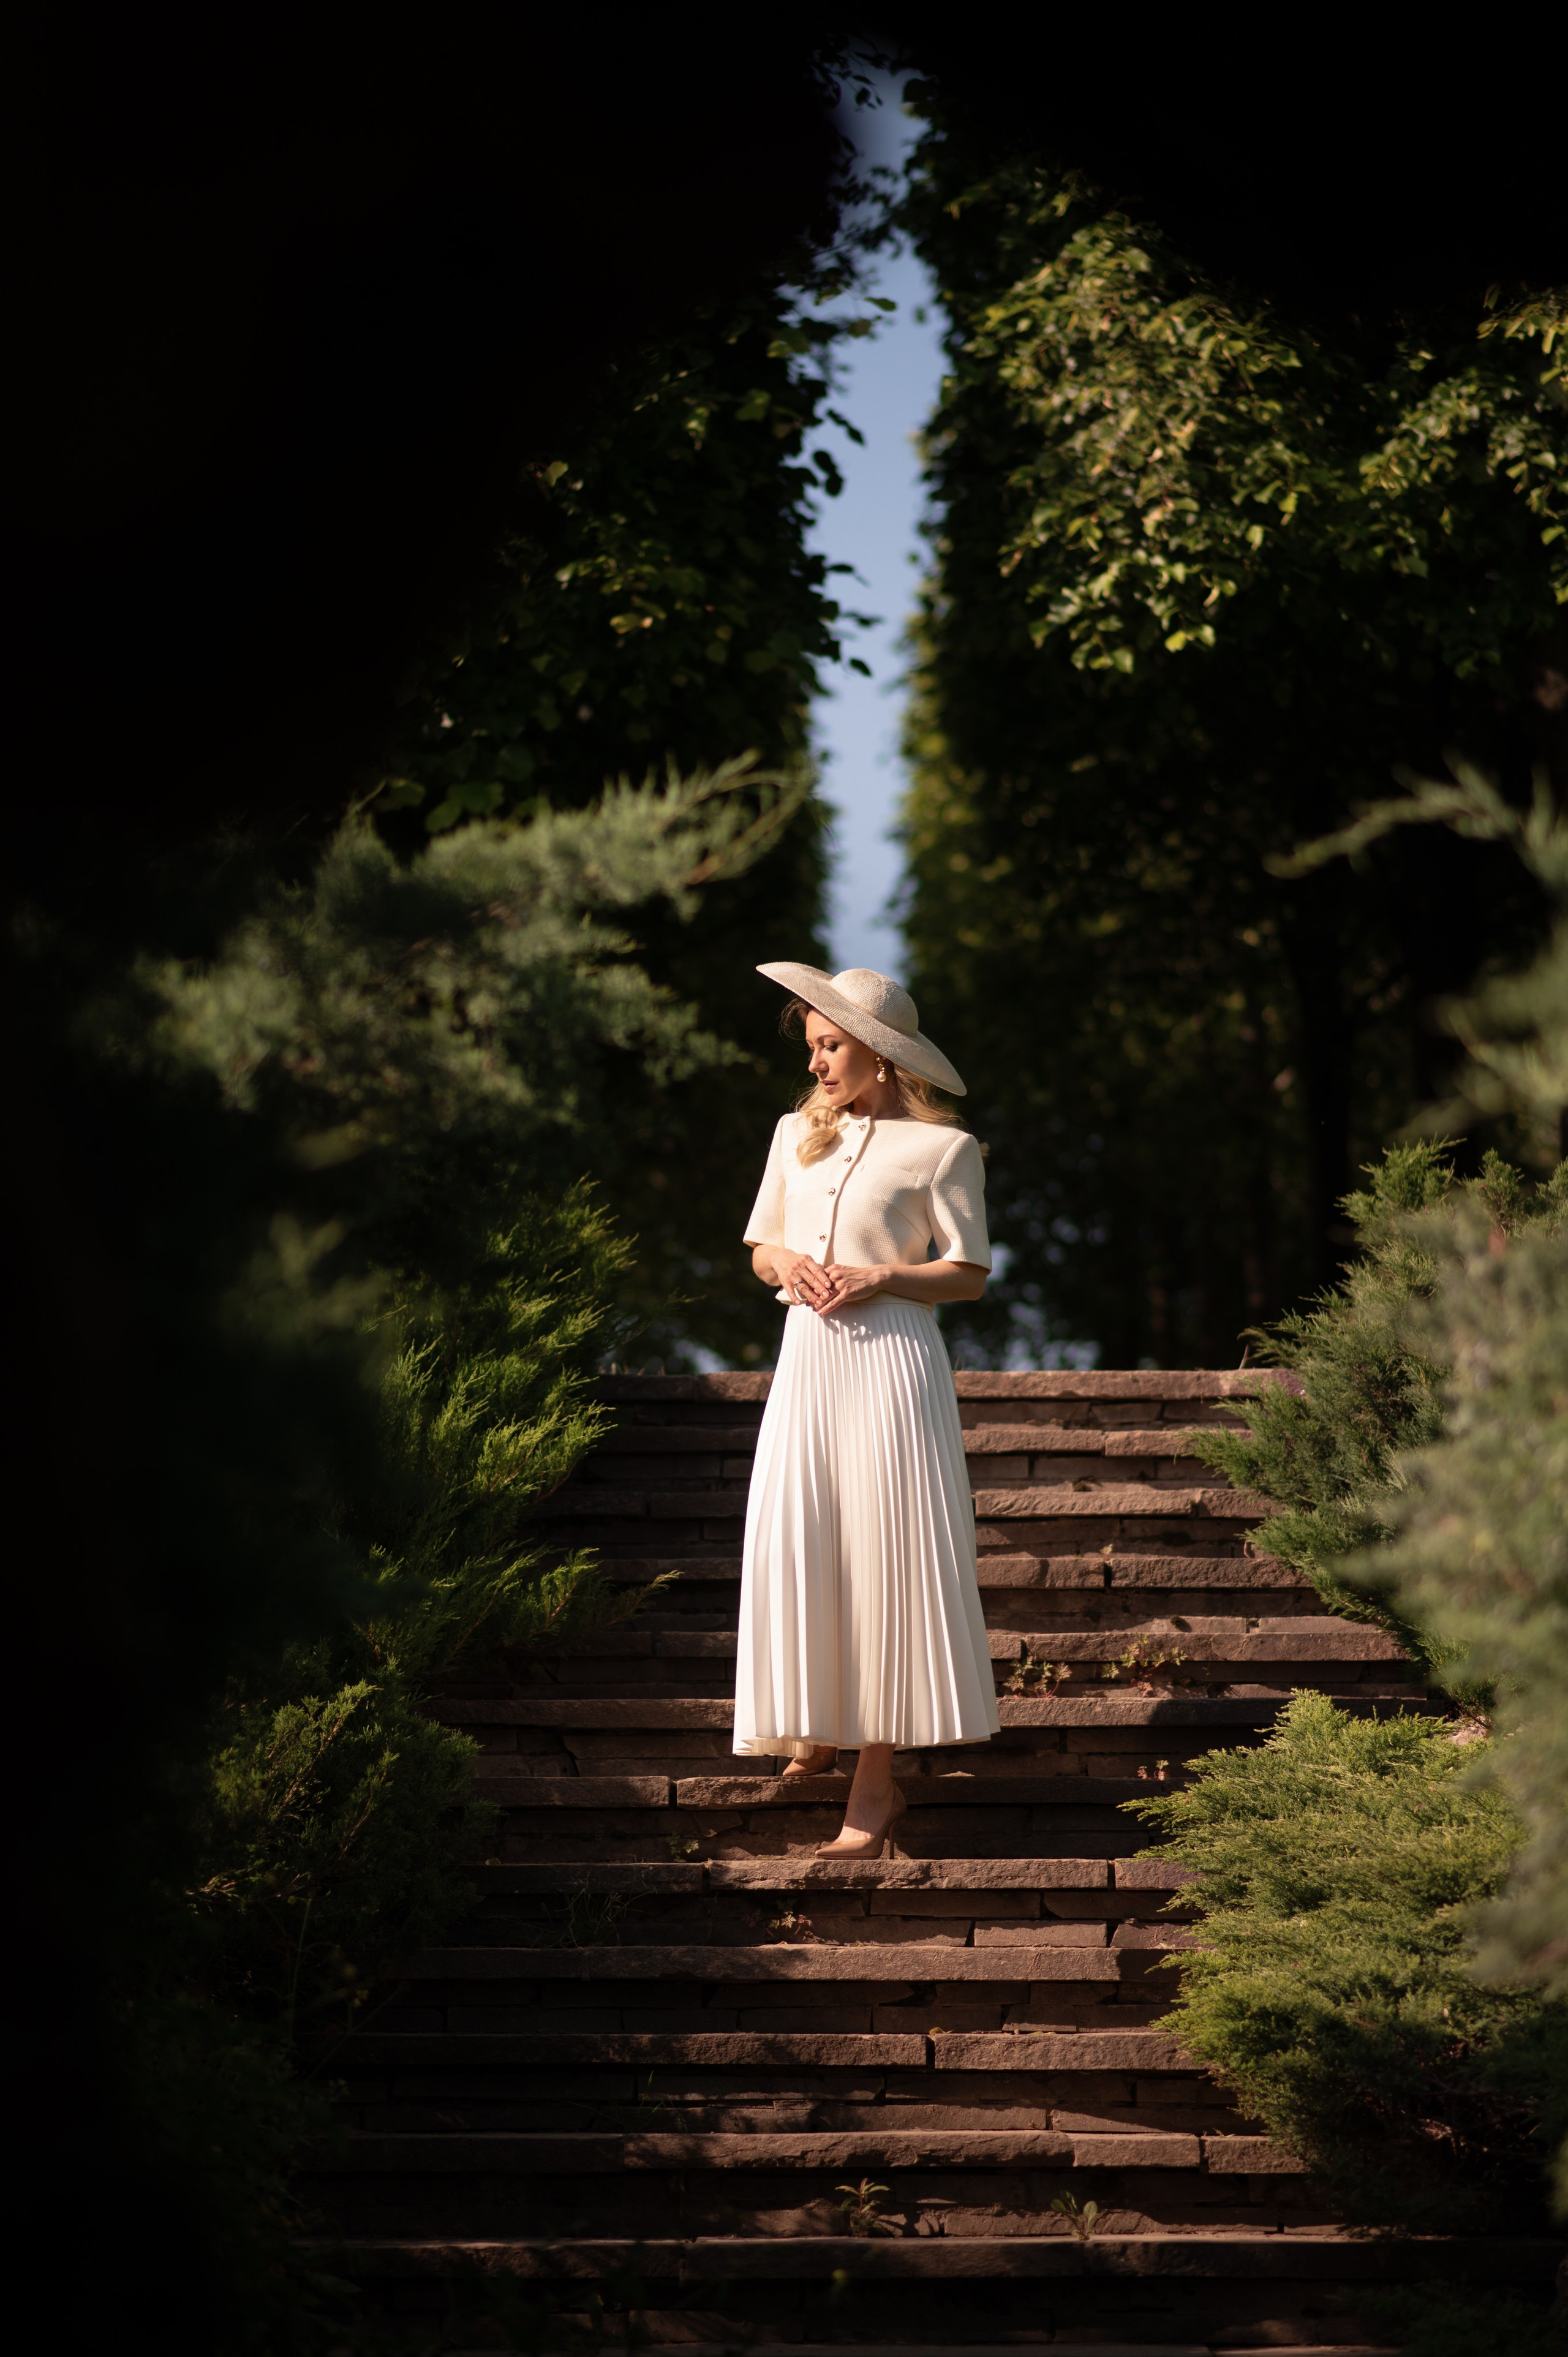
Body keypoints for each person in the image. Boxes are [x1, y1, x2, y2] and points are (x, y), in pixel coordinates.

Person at [734, 962, 1000, 1858]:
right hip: (807, 1358)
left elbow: (968, 1272)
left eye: (830, 1046)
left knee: (884, 1558)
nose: (816, 1065)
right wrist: (790, 1268)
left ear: (880, 1055)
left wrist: (885, 1273)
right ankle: (811, 1719)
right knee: (800, 1535)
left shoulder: (944, 1150)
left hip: (894, 1364)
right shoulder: (792, 1136)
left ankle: (875, 1789)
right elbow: (763, 1248)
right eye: (812, 1047)